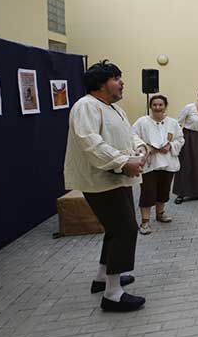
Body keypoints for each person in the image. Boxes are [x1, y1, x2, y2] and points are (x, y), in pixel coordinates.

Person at [63, 60, 147, 312]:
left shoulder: (114, 108)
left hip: (116, 178)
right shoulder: (86, 106)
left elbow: (127, 133)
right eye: (116, 78)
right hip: (101, 180)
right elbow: (91, 144)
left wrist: (139, 147)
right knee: (125, 230)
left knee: (114, 229)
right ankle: (113, 294)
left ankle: (103, 278)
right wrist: (124, 162)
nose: (122, 83)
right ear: (101, 83)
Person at [132, 95, 185, 235]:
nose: (157, 107)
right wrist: (146, 148)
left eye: (160, 105)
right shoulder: (142, 122)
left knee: (163, 189)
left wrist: (171, 146)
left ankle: (160, 214)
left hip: (167, 162)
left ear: (165, 106)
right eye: (154, 105)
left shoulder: (172, 123)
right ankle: (145, 221)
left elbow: (180, 139)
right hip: (150, 163)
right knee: (147, 191)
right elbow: (133, 136)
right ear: (151, 106)